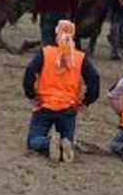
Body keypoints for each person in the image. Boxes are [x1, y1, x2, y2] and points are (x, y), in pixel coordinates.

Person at [22, 20, 100, 162]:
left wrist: (31, 94)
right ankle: (65, 143)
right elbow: (94, 78)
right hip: (68, 109)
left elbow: (30, 71)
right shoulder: (80, 57)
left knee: (33, 141)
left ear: (56, 34)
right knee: (68, 140)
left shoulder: (46, 52)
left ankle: (49, 142)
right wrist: (87, 100)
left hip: (44, 105)